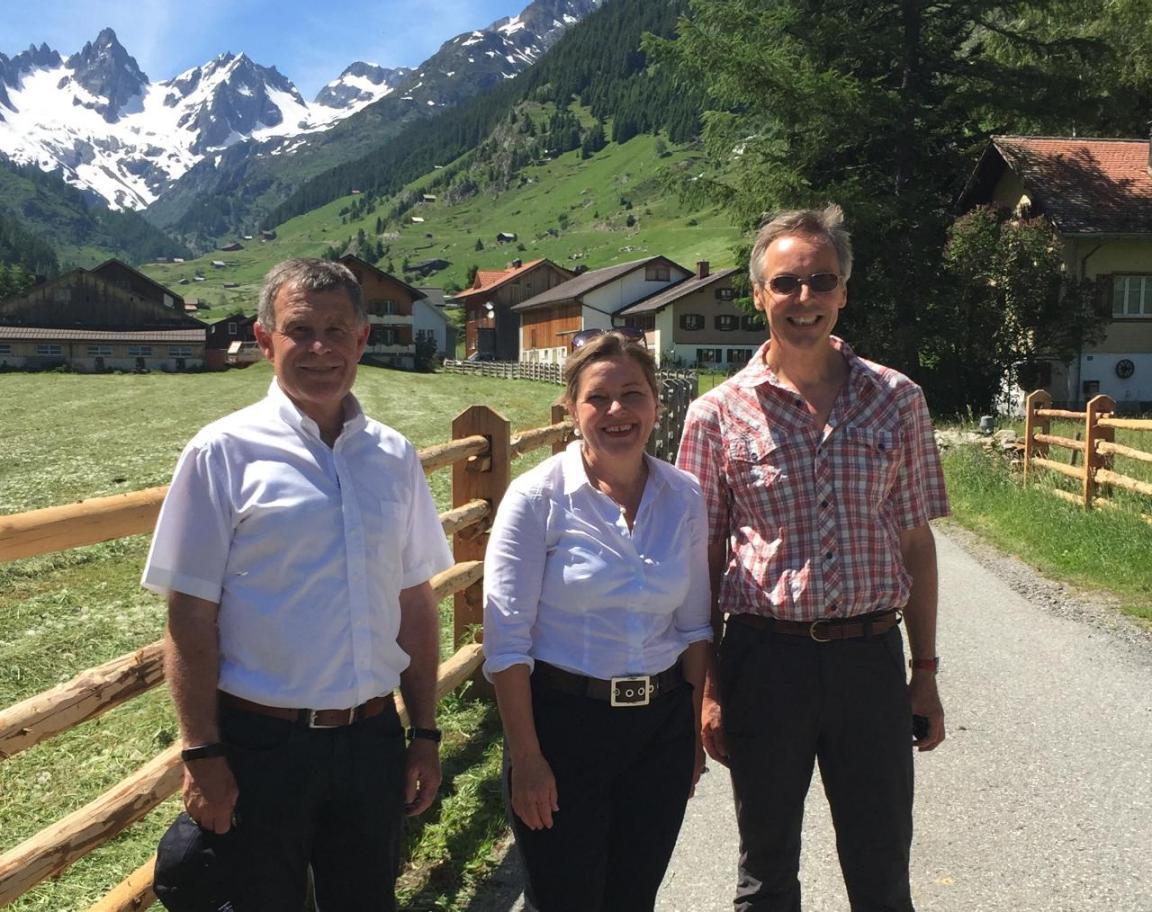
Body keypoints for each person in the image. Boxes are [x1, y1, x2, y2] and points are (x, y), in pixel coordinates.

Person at [142, 258, 453, 911]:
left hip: (371, 740)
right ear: (264, 341)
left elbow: (414, 605)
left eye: (337, 330)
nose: (321, 348)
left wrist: (424, 733)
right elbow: (189, 617)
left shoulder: (393, 459)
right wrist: (202, 752)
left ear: (362, 340)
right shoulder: (222, 452)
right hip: (262, 746)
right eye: (300, 330)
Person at [677, 205, 949, 912]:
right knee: (766, 872)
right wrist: (708, 687)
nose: (805, 299)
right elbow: (701, 558)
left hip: (869, 661)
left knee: (882, 866)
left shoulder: (898, 400)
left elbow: (916, 544)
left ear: (844, 292)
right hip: (766, 662)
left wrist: (924, 674)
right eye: (786, 283)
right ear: (759, 294)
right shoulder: (715, 415)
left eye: (820, 281)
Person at [482, 329, 713, 912]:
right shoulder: (536, 499)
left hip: (658, 732)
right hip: (563, 729)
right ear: (570, 408)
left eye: (633, 394)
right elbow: (507, 643)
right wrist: (528, 759)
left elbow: (693, 629)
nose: (617, 411)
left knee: (633, 899)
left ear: (656, 404)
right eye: (598, 398)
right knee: (564, 900)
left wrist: (689, 735)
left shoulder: (684, 496)